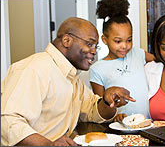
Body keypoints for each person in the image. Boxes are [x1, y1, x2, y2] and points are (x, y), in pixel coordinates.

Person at [1, 17, 136, 146]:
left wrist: (107, 100)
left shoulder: (72, 78)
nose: (94, 51)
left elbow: (91, 111)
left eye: (96, 46)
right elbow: (7, 122)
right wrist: (48, 144)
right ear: (67, 41)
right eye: (89, 44)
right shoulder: (34, 68)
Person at [89, 0, 154, 121]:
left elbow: (161, 61)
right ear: (104, 39)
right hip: (119, 126)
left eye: (129, 40)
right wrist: (114, 117)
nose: (125, 46)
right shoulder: (96, 69)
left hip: (146, 123)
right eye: (118, 41)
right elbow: (100, 108)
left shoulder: (138, 54)